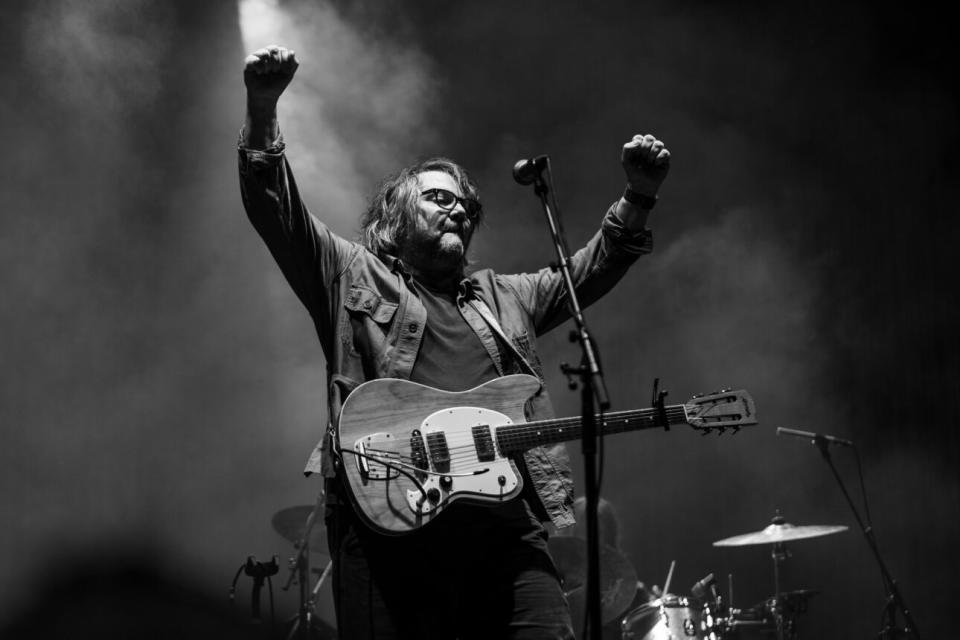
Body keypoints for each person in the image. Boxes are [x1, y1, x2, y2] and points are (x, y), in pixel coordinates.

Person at [238, 44, 671, 640]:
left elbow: (585, 274)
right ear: (393, 214)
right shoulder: (352, 274)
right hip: (388, 522)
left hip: (504, 526)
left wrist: (639, 197)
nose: (457, 212)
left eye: (466, 208)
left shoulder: (504, 297)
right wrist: (263, 108)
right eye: (439, 199)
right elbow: (276, 210)